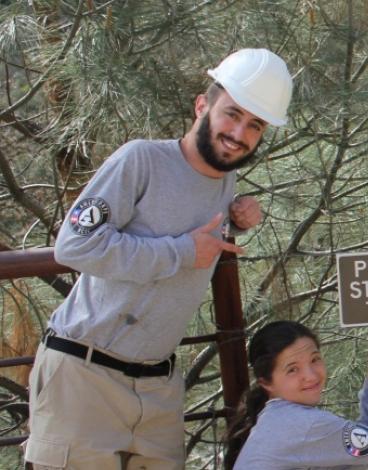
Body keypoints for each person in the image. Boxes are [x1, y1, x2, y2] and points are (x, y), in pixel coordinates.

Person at [25, 48, 292, 469]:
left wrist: (237, 219)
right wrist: (182, 253)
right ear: (202, 105)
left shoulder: (226, 180)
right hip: (84, 372)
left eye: (254, 125)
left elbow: (190, 220)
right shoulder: (141, 159)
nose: (238, 133)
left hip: (158, 387)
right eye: (231, 114)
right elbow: (74, 245)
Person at [225, 322, 368, 469]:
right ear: (266, 383)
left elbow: (363, 455)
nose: (310, 375)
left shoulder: (277, 418)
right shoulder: (301, 424)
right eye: (292, 369)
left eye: (314, 359)